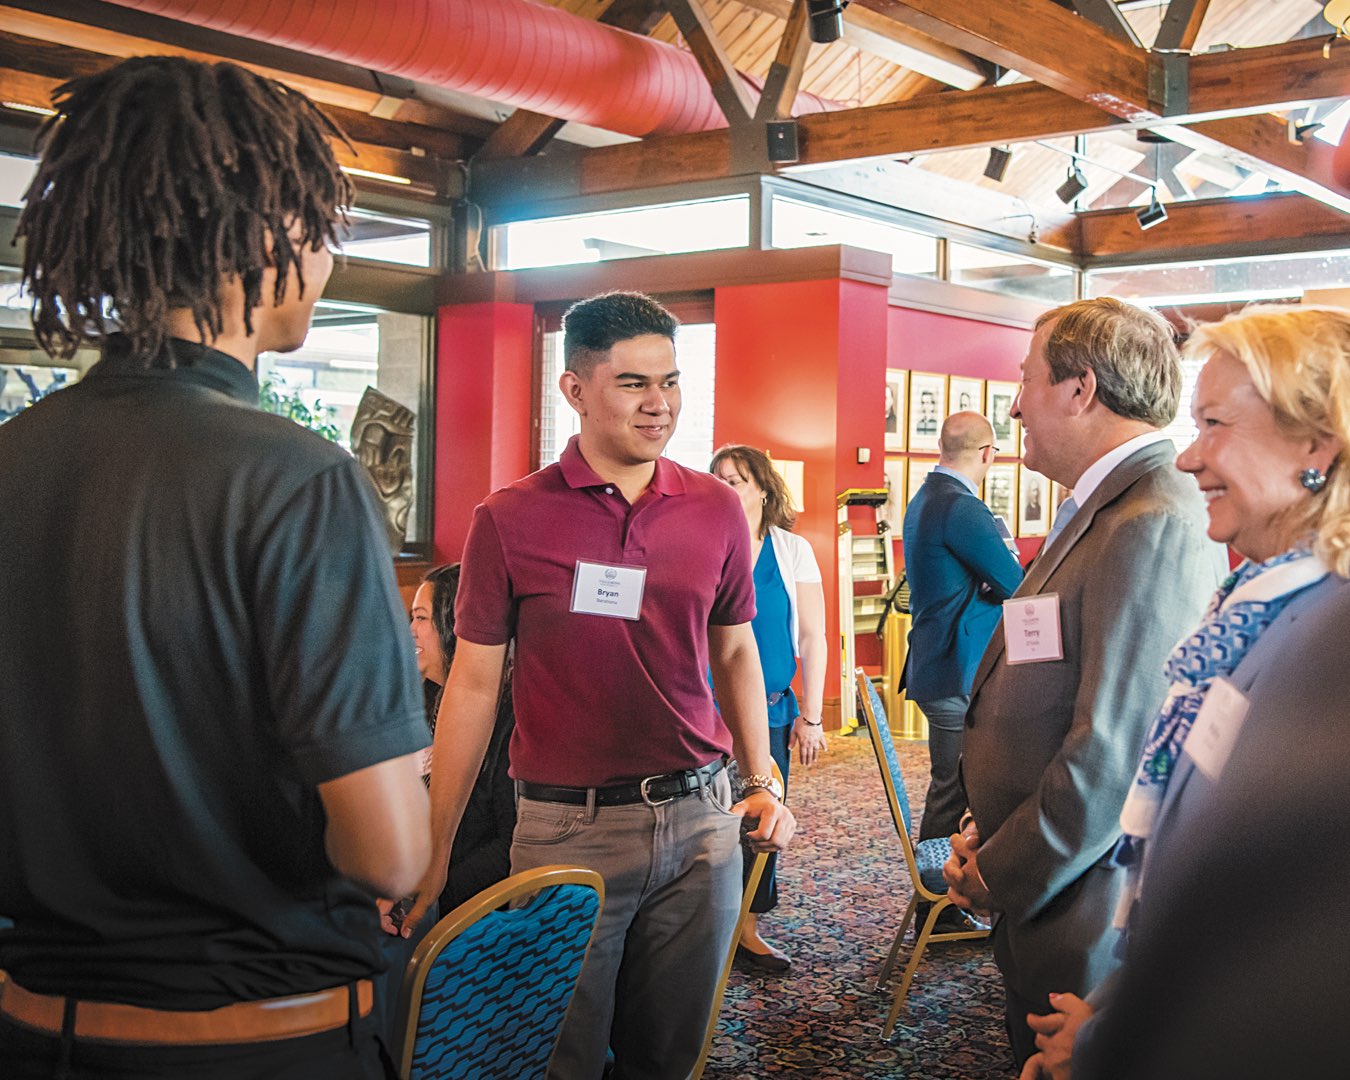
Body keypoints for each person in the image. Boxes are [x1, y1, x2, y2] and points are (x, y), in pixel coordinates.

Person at [0, 57, 431, 1079]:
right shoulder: (300, 478)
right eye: (325, 227)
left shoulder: (12, 459)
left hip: (32, 1026)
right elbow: (389, 855)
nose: (330, 256)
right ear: (271, 233)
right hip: (260, 1036)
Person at [404, 291, 796, 1080]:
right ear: (575, 390)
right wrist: (437, 848)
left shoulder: (718, 508)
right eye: (634, 384)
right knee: (560, 1055)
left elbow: (737, 653)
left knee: (673, 1054)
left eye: (672, 381)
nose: (661, 405)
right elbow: (474, 689)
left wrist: (760, 776)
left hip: (699, 819)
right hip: (564, 828)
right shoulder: (509, 518)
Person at [1015, 305, 1350, 1080]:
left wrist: (1109, 1041)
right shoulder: (1259, 608)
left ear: (1316, 446)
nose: (1191, 457)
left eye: (1214, 424)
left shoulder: (1324, 638)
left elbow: (1285, 922)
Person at [943, 297, 1226, 1068]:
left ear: (1080, 390)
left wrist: (998, 870)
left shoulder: (1152, 518)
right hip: (1048, 877)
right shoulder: (1097, 506)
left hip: (1086, 893)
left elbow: (1118, 748)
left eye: (1025, 379)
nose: (1014, 404)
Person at [711, 445, 827, 974]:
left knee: (762, 823)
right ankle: (702, 925)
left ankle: (747, 929)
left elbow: (813, 635)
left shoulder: (791, 549)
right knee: (705, 822)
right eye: (717, 478)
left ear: (762, 487)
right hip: (705, 713)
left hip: (774, 711)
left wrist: (814, 716)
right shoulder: (704, 541)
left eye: (735, 479)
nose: (725, 487)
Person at [902, 413, 1023, 852]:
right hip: (956, 667)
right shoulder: (960, 505)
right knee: (954, 791)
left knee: (953, 787)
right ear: (989, 454)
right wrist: (993, 584)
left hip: (940, 661)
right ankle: (938, 899)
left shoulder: (928, 497)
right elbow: (1018, 585)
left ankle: (943, 900)